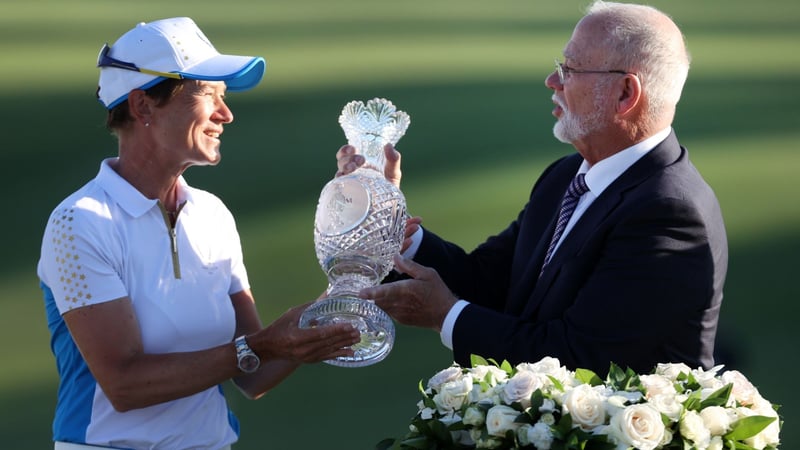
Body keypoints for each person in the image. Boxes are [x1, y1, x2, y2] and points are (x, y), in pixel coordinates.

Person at [338, 1, 728, 376]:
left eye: (570, 68)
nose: (552, 81)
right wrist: (385, 222)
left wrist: (446, 315)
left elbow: (582, 359)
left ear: (625, 93)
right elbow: (488, 282)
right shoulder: (566, 176)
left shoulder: (667, 212)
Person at [37, 17, 359, 450]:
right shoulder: (79, 222)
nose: (226, 114)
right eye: (208, 94)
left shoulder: (213, 214)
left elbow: (254, 373)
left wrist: (347, 281)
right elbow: (125, 385)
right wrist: (263, 344)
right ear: (142, 106)